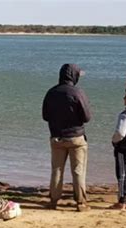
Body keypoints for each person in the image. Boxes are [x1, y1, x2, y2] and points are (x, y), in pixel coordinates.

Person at [42, 63, 92, 212]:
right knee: (78, 171)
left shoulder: (51, 92)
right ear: (74, 76)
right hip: (76, 137)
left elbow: (45, 116)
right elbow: (87, 117)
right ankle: (81, 203)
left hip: (57, 137)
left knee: (57, 170)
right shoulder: (78, 93)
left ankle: (53, 201)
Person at [110, 86, 126, 210]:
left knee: (122, 173)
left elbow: (120, 133)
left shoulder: (125, 115)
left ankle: (122, 201)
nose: (124, 98)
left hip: (124, 148)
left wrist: (114, 141)